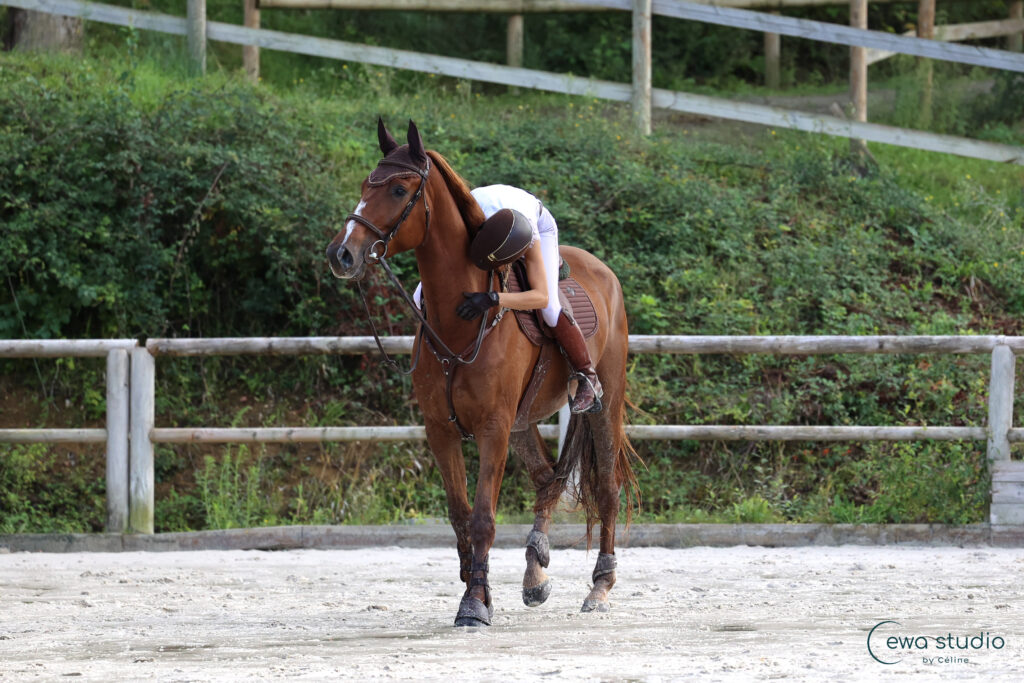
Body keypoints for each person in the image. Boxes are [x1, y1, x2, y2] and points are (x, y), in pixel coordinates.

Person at [447, 184, 603, 414]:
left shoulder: (530, 233)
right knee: (418, 293)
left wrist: (494, 298)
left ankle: (589, 378)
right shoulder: (462, 217)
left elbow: (540, 297)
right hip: (491, 213)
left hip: (538, 221)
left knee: (551, 309)